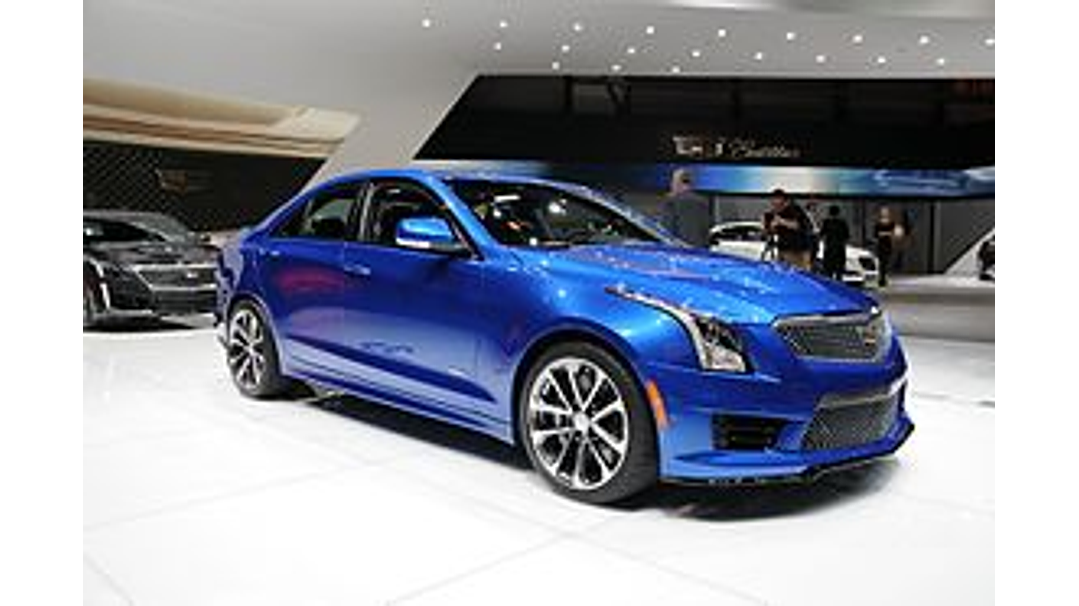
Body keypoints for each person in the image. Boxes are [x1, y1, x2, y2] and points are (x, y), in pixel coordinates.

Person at [660, 168, 711, 248]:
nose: (671, 185)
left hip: (679, 250)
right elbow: (706, 229)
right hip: (699, 250)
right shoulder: (702, 202)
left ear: (678, 183)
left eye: (673, 181)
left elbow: (667, 229)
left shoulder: (671, 201)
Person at [765, 188, 813, 270]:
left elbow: (797, 225)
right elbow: (773, 231)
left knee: (798, 273)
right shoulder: (775, 212)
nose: (773, 203)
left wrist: (781, 221)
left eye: (775, 200)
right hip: (784, 248)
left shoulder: (794, 209)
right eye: (772, 201)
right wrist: (770, 226)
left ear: (782, 199)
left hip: (798, 250)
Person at [819, 204, 850, 281]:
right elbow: (847, 236)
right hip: (840, 249)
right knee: (839, 272)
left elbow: (821, 234)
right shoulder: (843, 222)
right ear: (838, 213)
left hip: (829, 249)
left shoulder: (826, 222)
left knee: (828, 271)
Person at [874, 206, 898, 287]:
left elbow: (894, 233)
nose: (884, 213)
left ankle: (883, 278)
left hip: (888, 244)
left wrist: (884, 234)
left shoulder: (892, 223)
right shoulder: (878, 223)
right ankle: (881, 279)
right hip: (880, 245)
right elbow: (876, 235)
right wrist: (886, 234)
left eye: (886, 212)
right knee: (881, 263)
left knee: (886, 262)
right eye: (883, 212)